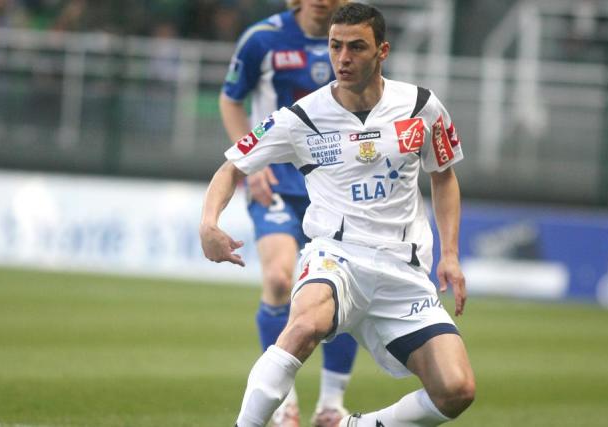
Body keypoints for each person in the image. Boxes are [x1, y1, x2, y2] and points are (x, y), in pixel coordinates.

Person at [201, 3, 476, 427]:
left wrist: (451, 254)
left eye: (356, 47)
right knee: (304, 325)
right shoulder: (302, 117)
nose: (343, 59)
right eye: (335, 47)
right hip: (336, 257)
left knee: (456, 391)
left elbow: (444, 177)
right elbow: (231, 167)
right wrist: (209, 223)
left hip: (404, 271)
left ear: (382, 51)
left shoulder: (421, 105)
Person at [218, 1, 359, 426]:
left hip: (335, 184)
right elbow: (231, 100)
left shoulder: (355, 43)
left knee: (347, 293)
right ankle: (285, 402)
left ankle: (331, 406)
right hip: (277, 181)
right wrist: (251, 162)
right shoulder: (262, 39)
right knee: (280, 279)